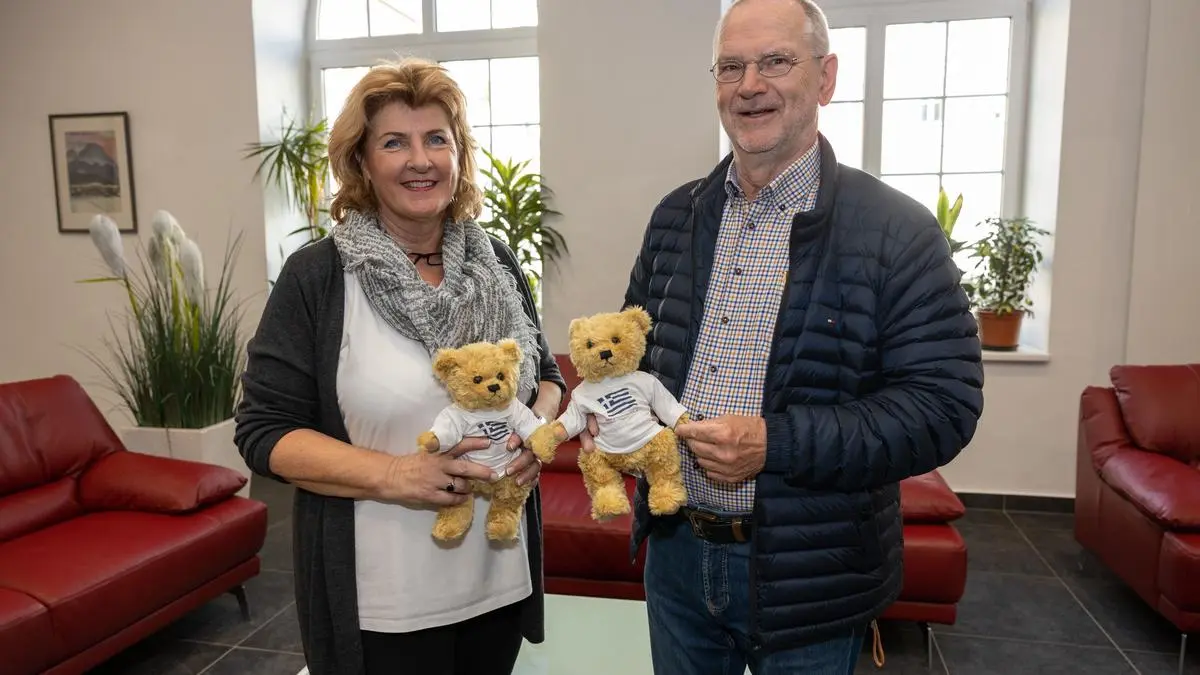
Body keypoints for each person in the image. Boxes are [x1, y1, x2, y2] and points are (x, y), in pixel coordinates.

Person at [590, 0, 986, 672]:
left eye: (776, 61)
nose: (750, 85)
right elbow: (633, 353)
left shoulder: (896, 231)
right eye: (731, 67)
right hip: (677, 555)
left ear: (825, 79)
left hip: (809, 572)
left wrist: (776, 444)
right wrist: (611, 409)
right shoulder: (676, 216)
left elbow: (943, 406)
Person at [233, 57, 566, 675]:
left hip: (499, 580)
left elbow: (547, 376)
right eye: (394, 142)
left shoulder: (492, 260)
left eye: (436, 138)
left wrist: (537, 435)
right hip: (383, 602)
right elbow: (263, 431)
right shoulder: (319, 277)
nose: (420, 159)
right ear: (361, 162)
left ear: (458, 154)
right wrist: (396, 475)